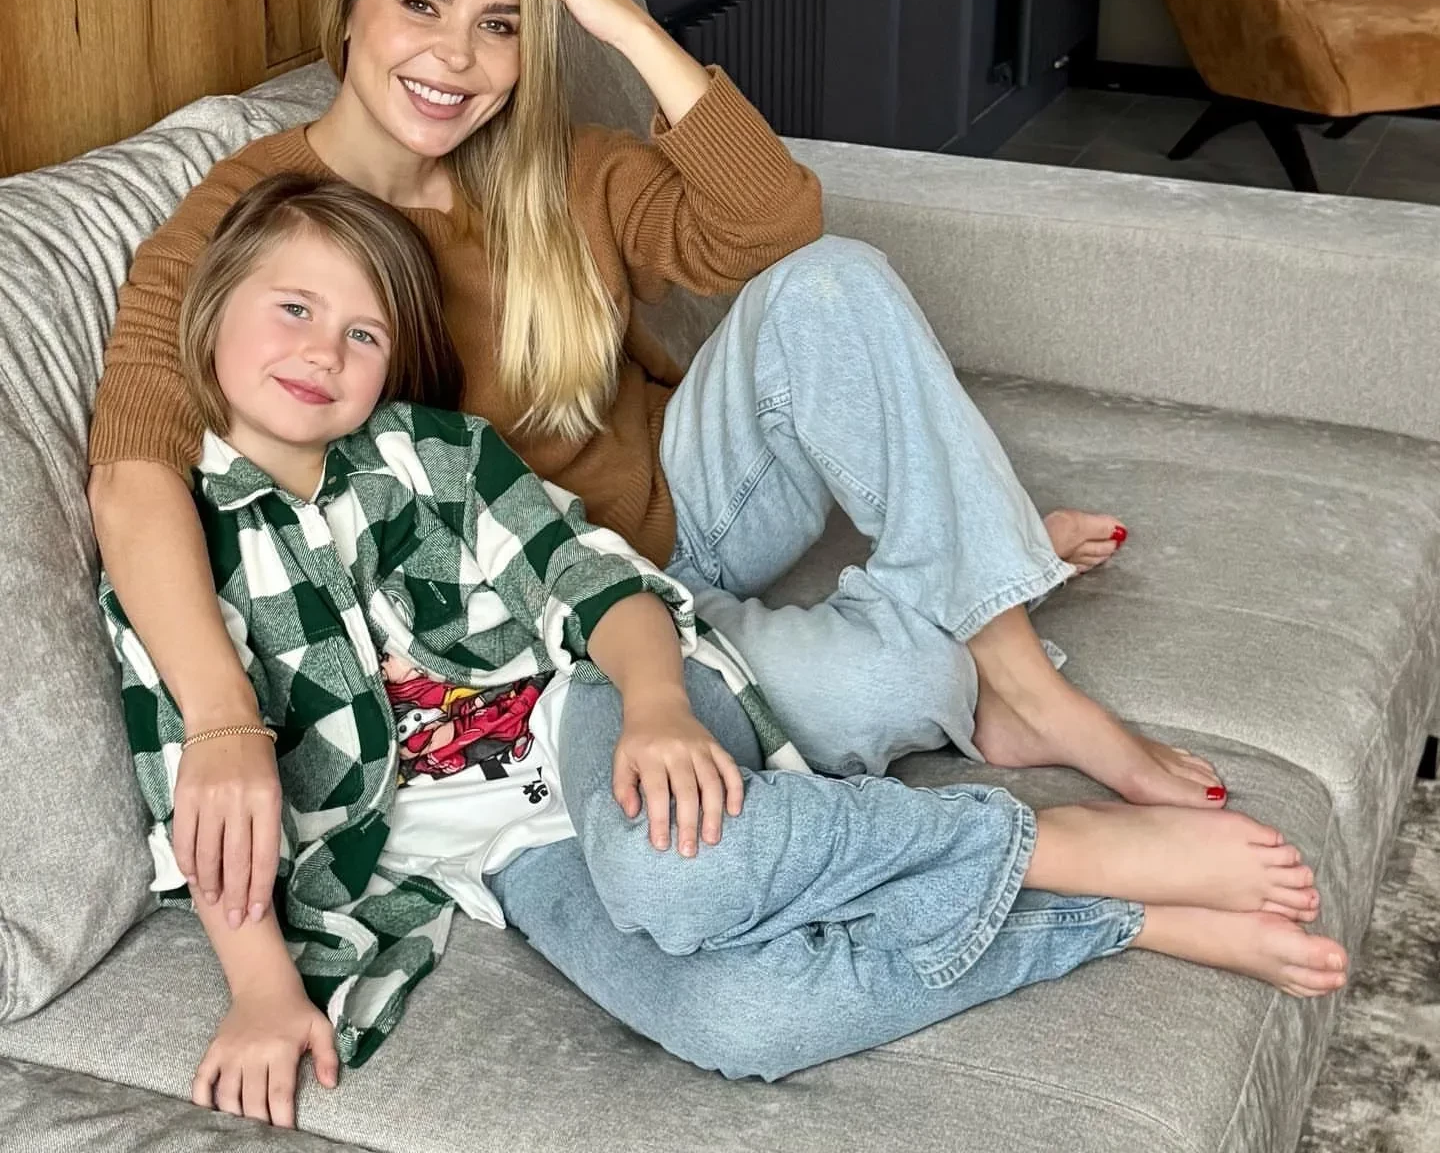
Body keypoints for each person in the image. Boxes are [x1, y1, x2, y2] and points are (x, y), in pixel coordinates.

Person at [90, 0, 1216, 942]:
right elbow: (135, 467)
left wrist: (628, 30)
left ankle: (1018, 667)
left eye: (501, 24)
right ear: (348, 8)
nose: (457, 57)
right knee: (892, 687)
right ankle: (968, 564)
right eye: (420, 5)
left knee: (832, 280)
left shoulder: (553, 166)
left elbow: (771, 227)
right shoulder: (255, 216)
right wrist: (224, 719)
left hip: (693, 508)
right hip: (556, 621)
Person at [101, 174, 1346, 1128]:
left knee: (672, 874)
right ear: (210, 319)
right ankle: (1102, 914)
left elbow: (599, 585)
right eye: (295, 309)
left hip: (590, 700)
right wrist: (262, 990)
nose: (324, 350)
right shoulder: (171, 564)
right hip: (496, 854)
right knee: (740, 1022)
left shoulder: (435, 457)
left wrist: (655, 705)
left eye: (364, 333)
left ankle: (1057, 838)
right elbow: (202, 805)